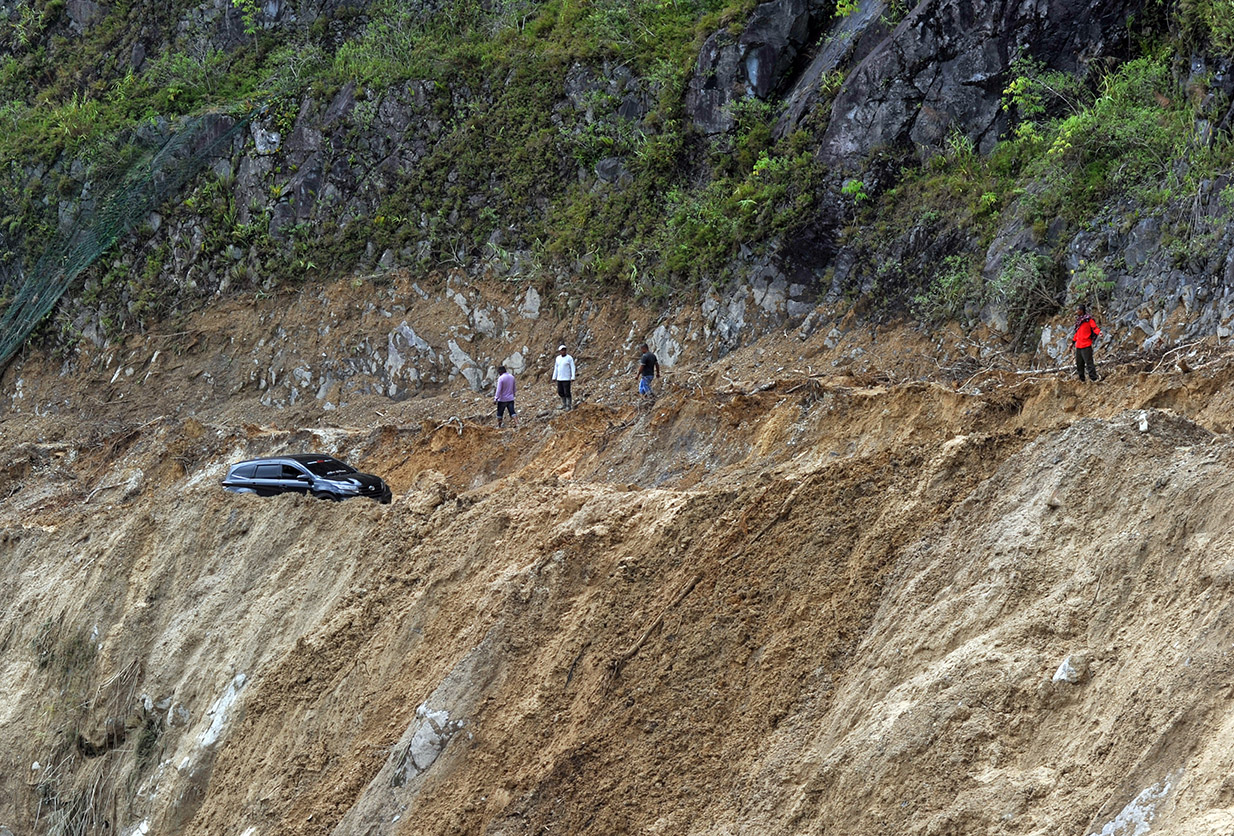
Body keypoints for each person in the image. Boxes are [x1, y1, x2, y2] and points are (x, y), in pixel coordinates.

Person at [1070, 304, 1102, 382]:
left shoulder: (1089, 320)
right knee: (1079, 364)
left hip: (1086, 345)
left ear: (1081, 310)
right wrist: (1072, 342)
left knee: (1089, 363)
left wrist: (1099, 332)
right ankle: (1082, 380)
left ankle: (1094, 379)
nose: (1076, 311)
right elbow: (1077, 333)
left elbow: (1094, 328)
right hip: (1079, 346)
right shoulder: (1079, 321)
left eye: (1078, 310)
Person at [552, 344, 576, 410]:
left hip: (566, 378)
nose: (563, 351)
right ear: (560, 351)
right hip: (559, 378)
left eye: (564, 350)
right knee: (560, 392)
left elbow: (572, 367)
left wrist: (573, 376)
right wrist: (554, 377)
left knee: (567, 392)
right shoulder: (558, 358)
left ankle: (568, 405)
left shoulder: (569, 358)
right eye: (562, 350)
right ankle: (564, 404)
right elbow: (556, 368)